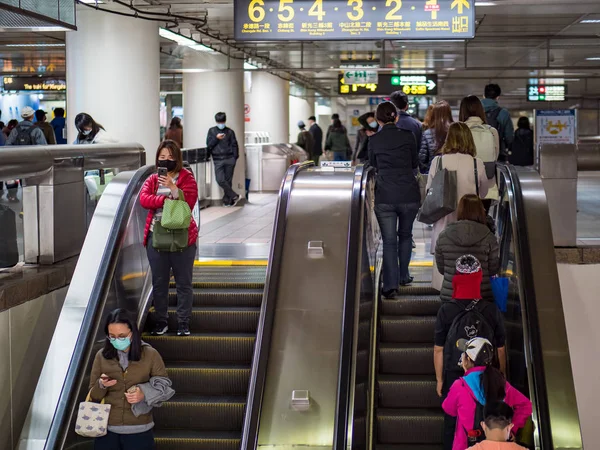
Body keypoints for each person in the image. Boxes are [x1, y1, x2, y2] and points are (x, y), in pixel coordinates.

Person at [434, 254, 507, 450]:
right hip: (486, 373)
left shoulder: (446, 310)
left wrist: (440, 379)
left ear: (456, 279)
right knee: (486, 418)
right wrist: (502, 375)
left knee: (452, 419)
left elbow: (439, 349)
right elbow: (500, 348)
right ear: (478, 278)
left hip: (453, 371)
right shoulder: (491, 310)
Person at [89, 308, 174, 450]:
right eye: (112, 336)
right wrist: (101, 385)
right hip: (106, 430)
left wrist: (143, 392)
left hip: (139, 430)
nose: (117, 340)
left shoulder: (150, 354)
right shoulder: (101, 356)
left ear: (132, 333)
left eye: (122, 336)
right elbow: (93, 394)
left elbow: (164, 385)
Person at [140, 140, 199, 336]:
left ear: (178, 159)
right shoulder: (153, 179)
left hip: (183, 239)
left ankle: (183, 322)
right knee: (159, 282)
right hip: (156, 239)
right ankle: (161, 321)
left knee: (183, 282)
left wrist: (174, 188)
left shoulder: (187, 178)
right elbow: (144, 199)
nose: (166, 161)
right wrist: (165, 199)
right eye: (162, 157)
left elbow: (188, 202)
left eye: (171, 158)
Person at [426, 122, 490, 292]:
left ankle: (444, 294)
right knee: (468, 259)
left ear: (449, 139)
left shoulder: (438, 161)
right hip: (469, 219)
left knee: (444, 256)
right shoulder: (477, 163)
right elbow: (483, 193)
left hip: (443, 218)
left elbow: (429, 191)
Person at [442, 337, 532, 450]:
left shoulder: (460, 385)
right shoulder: (502, 383)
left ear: (468, 359)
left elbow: (448, 409)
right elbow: (526, 405)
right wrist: (512, 429)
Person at [369, 102, 420, 298]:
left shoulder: (374, 140)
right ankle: (404, 276)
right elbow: (415, 163)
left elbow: (372, 165)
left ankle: (390, 286)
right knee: (405, 235)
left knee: (389, 241)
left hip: (385, 195)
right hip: (409, 193)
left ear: (378, 119)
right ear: (396, 117)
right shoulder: (408, 136)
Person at [435, 195, 500, 302]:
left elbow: (442, 269)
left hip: (451, 298)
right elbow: (493, 269)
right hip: (481, 298)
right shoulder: (489, 237)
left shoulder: (444, 236)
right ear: (480, 211)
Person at [460, 95, 500, 211]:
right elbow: (495, 156)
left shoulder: (459, 131)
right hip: (487, 187)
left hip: (464, 187)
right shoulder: (492, 131)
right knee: (482, 219)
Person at [206, 112, 240, 207]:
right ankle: (234, 195)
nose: (221, 124)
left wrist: (235, 157)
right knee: (220, 180)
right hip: (218, 159)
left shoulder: (230, 132)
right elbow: (209, 145)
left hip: (230, 159)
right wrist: (216, 138)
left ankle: (227, 201)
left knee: (228, 181)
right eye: (219, 122)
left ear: (225, 121)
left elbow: (234, 145)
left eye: (222, 121)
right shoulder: (212, 131)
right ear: (216, 121)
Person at [419, 100, 453, 173]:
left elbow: (422, 159)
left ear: (434, 115)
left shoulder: (427, 133)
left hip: (432, 173)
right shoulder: (455, 132)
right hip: (453, 173)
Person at [482, 84, 514, 160]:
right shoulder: (503, 113)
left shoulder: (474, 111)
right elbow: (509, 137)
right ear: (497, 97)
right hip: (497, 154)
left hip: (477, 154)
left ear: (483, 95)